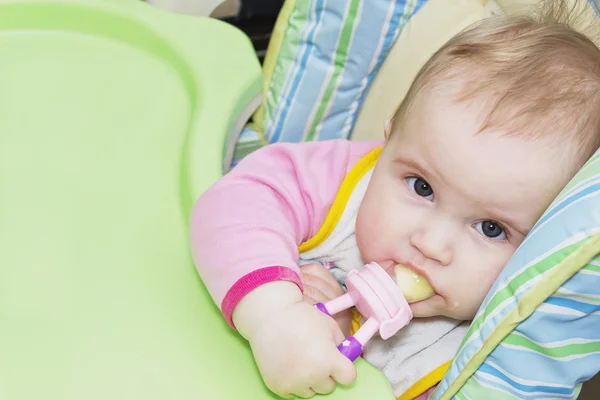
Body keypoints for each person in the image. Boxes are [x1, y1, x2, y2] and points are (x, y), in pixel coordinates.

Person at [190, 2, 600, 398]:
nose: (430, 244)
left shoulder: (471, 358)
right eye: (421, 187)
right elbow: (235, 201)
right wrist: (271, 313)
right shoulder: (351, 180)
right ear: (386, 146)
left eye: (491, 229)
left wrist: (339, 349)